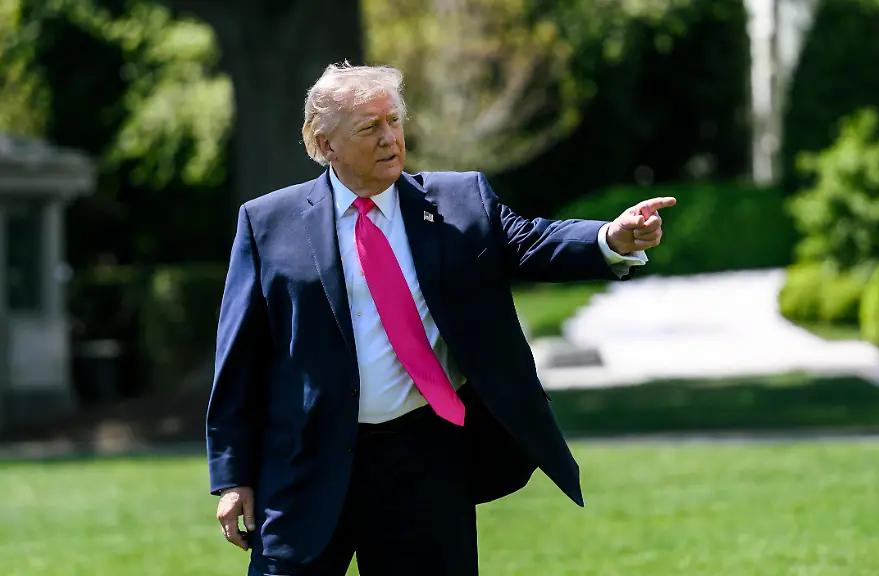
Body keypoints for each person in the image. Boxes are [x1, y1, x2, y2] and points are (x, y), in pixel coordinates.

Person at [207, 61, 675, 576]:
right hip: (305, 463)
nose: (389, 138)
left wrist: (610, 238)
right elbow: (240, 359)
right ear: (325, 144)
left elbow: (532, 242)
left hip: (424, 457)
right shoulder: (268, 222)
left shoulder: (460, 201)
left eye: (393, 121)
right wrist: (232, 476)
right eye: (369, 127)